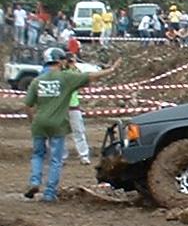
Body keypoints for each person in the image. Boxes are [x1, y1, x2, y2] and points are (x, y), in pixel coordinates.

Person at [24, 48, 121, 202]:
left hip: (39, 123)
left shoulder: (37, 80)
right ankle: (49, 193)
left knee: (37, 155)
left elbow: (28, 105)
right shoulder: (66, 78)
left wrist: (32, 122)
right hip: (57, 124)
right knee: (55, 159)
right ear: (60, 61)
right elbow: (91, 76)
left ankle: (34, 181)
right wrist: (112, 70)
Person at [63, 53, 90, 165]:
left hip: (69, 107)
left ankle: (63, 157)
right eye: (72, 61)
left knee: (67, 133)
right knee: (78, 132)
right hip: (69, 107)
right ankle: (83, 156)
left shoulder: (67, 74)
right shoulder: (69, 74)